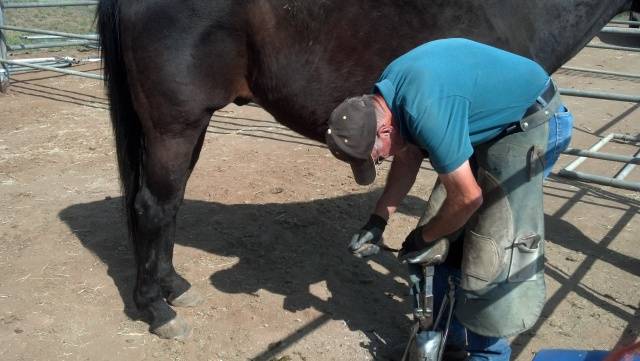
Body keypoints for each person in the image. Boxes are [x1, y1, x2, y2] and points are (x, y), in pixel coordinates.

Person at [325, 38, 574, 361]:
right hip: (481, 124)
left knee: (492, 244)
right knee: (444, 238)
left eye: (377, 157)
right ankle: (447, 342)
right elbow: (407, 158)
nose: (381, 160)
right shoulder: (386, 99)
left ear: (385, 131)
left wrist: (422, 237)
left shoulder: (424, 108)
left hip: (529, 121)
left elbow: (468, 198)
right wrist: (378, 221)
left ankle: (489, 355)